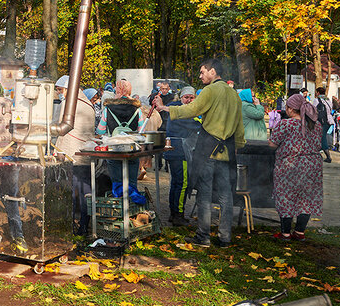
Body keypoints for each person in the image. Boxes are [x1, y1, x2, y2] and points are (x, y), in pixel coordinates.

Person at [156, 58, 244, 247]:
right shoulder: (234, 95)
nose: (200, 75)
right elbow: (239, 126)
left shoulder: (210, 90)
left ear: (213, 72)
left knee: (204, 194)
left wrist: (166, 108)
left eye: (202, 72)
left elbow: (193, 109)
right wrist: (238, 144)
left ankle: (203, 236)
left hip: (208, 151)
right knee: (225, 196)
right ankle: (224, 237)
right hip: (227, 153)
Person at [268, 93, 323, 241]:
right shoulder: (316, 125)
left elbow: (272, 144)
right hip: (312, 166)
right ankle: (299, 232)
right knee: (306, 198)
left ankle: (285, 233)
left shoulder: (286, 124)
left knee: (286, 196)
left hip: (290, 165)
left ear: (292, 109)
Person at [52, 77, 98, 235]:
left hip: (71, 154)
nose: (59, 93)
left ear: (67, 88)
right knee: (86, 192)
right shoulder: (88, 104)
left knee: (70, 192)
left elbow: (59, 128)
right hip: (86, 154)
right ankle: (85, 225)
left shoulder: (68, 104)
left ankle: (69, 225)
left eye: (60, 90)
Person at [97, 78, 146, 201]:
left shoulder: (108, 108)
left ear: (117, 90)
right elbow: (141, 131)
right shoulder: (137, 109)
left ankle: (118, 206)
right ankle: (132, 206)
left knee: (117, 181)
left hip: (114, 150)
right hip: (132, 150)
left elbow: (101, 130)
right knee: (131, 182)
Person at [164, 86, 201, 227]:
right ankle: (178, 214)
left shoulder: (176, 110)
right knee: (182, 183)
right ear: (181, 98)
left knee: (175, 182)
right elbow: (196, 125)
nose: (189, 100)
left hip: (175, 151)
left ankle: (173, 213)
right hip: (179, 151)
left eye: (192, 98)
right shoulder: (180, 112)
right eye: (186, 97)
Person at [314, 86, 334, 162]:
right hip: (329, 120)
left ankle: (328, 156)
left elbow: (313, 110)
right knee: (321, 136)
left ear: (318, 92)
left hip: (322, 121)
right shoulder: (328, 100)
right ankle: (319, 154)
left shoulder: (317, 100)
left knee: (322, 137)